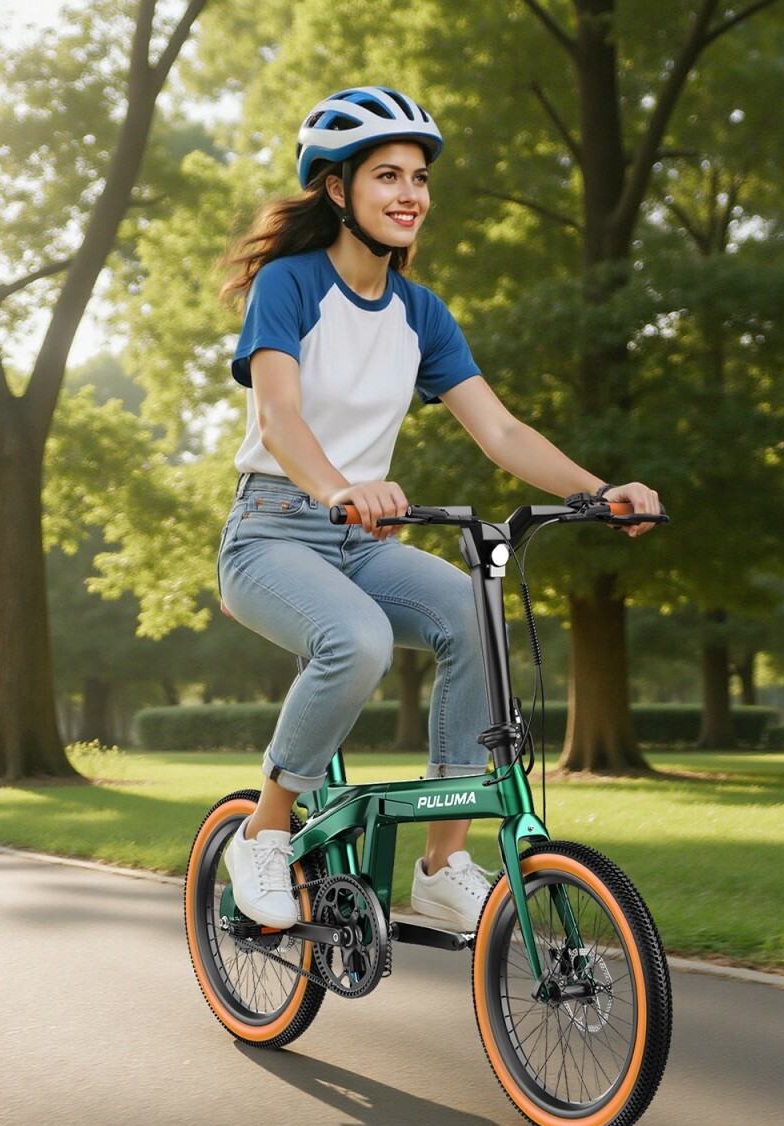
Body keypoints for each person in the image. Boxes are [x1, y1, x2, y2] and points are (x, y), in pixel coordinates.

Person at [218, 86, 660, 932]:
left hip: (364, 537)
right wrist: (337, 487)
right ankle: (265, 833)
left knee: (475, 617)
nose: (410, 193)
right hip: (272, 530)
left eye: (419, 177)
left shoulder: (422, 314)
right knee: (359, 641)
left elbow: (499, 428)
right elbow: (279, 417)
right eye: (386, 175)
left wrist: (596, 492)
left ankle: (442, 860)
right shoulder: (290, 284)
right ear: (338, 191)